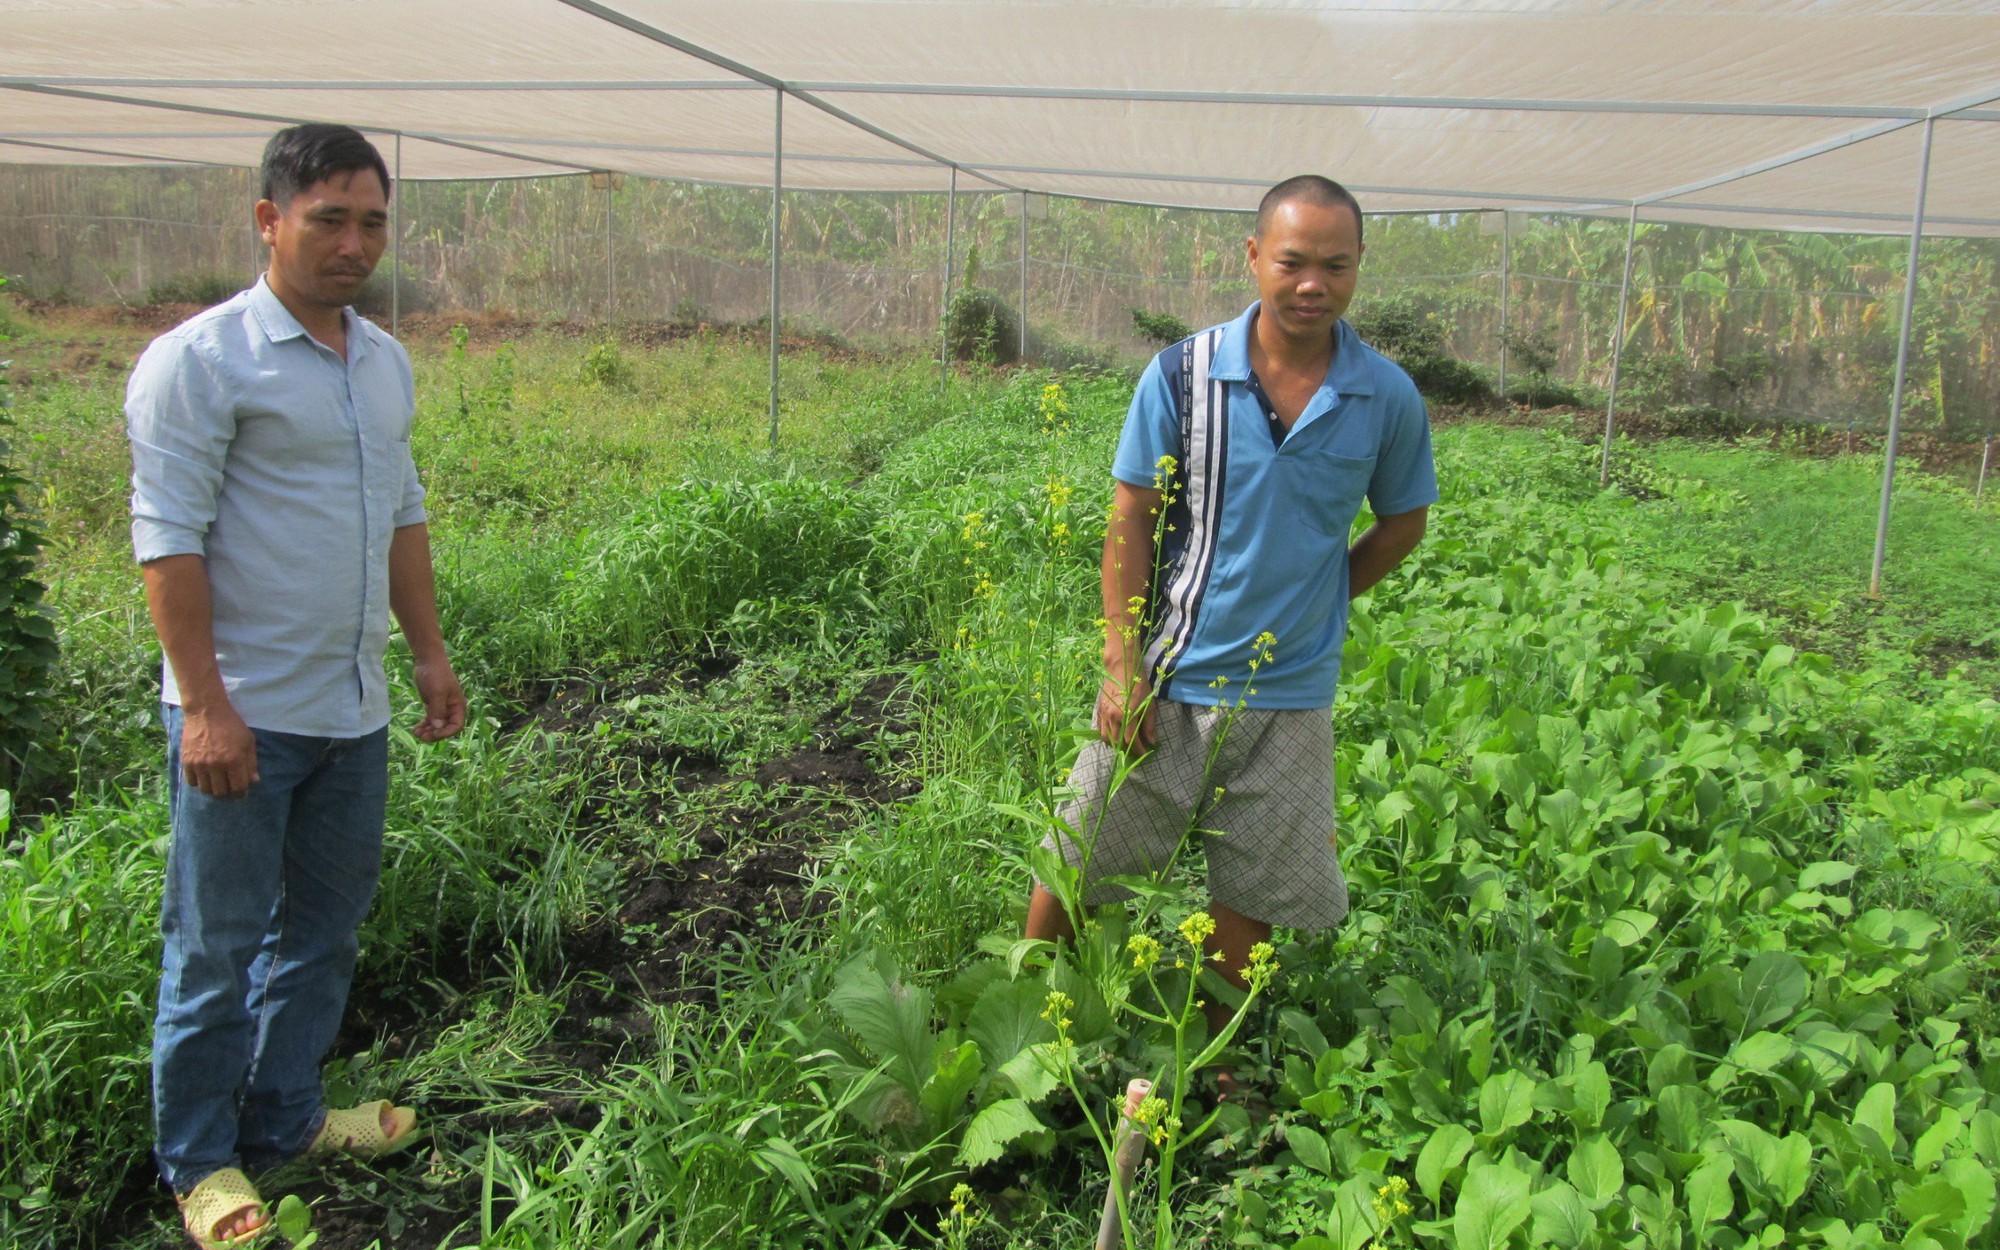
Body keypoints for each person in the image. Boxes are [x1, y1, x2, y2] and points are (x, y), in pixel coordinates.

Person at [126, 123, 466, 1248]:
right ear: (268, 219)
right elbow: (167, 541)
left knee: (322, 927)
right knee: (215, 944)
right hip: (244, 711)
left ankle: (285, 1118)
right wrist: (207, 705)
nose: (354, 242)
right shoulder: (203, 359)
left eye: (372, 220)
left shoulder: (380, 357)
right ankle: (202, 1160)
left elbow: (401, 511)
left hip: (348, 708)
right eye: (329, 217)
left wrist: (424, 650)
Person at [1024, 175, 1437, 1086]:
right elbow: (1130, 516)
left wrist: (1326, 598)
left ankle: (1208, 1074)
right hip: (1168, 680)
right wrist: (1122, 661)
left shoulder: (1386, 397)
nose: (1311, 283)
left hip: (1290, 697)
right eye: (1292, 261)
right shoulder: (1182, 374)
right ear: (1254, 258)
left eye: (1335, 265)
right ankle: (1029, 1021)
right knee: (1079, 849)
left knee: (1249, 890)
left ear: (1359, 268)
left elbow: (1402, 521)